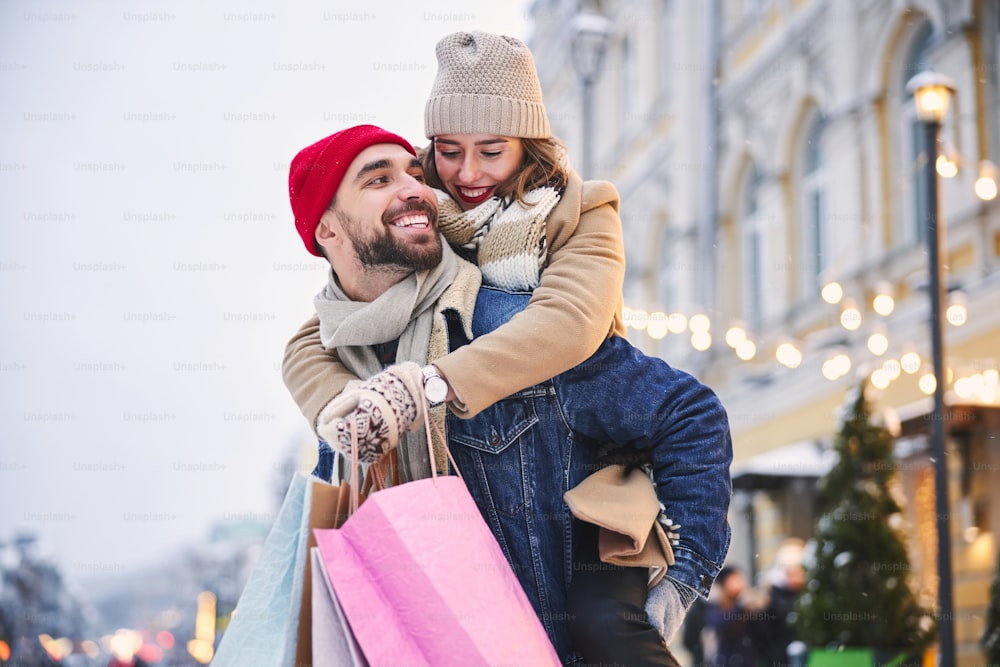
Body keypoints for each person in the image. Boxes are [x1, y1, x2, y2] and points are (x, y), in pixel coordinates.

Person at [284, 30, 732, 663]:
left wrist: (425, 387)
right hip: (462, 535)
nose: (466, 175)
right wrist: (354, 406)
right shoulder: (423, 217)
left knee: (603, 627)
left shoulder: (579, 212)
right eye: (446, 152)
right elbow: (319, 330)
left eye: (491, 151)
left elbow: (569, 323)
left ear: (527, 145)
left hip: (589, 472)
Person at [703, 566, 761, 667]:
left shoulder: (749, 603)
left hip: (748, 660)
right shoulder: (716, 604)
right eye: (734, 580)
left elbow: (762, 633)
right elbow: (720, 624)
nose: (739, 583)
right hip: (725, 660)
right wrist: (740, 606)